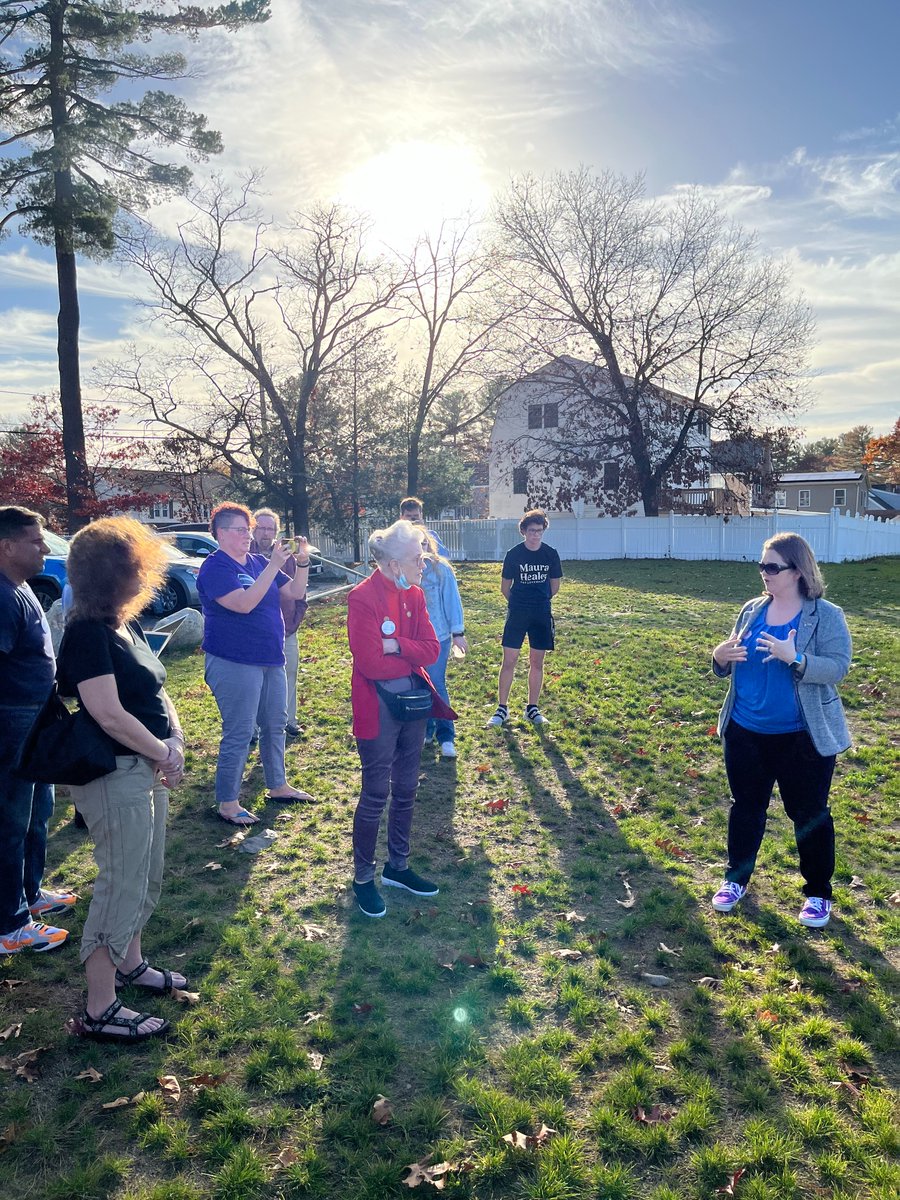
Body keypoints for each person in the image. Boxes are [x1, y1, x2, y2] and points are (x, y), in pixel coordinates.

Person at [57, 518, 186, 1041]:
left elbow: (156, 689)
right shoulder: (86, 634)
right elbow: (107, 713)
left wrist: (173, 741)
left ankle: (131, 962)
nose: (146, 572)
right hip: (116, 773)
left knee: (146, 875)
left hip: (148, 765)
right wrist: (164, 752)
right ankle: (99, 1006)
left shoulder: (121, 623)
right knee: (120, 883)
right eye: (135, 564)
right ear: (109, 572)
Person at [710, 532, 852, 928]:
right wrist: (719, 657)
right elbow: (731, 661)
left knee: (809, 814)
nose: (764, 573)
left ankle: (818, 893)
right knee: (746, 809)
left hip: (802, 737)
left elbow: (839, 666)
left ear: (797, 571)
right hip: (745, 731)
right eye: (761, 565)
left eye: (772, 567)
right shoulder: (752, 609)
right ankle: (735, 879)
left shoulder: (826, 615)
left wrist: (798, 658)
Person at [347, 519, 455, 918]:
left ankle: (398, 867)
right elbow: (371, 664)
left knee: (407, 787)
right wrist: (396, 652)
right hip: (378, 709)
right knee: (376, 793)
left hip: (413, 705)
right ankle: (363, 878)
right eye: (417, 556)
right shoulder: (363, 598)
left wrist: (396, 643)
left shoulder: (416, 595)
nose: (424, 562)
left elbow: (430, 650)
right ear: (394, 563)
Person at [198, 502, 313, 828]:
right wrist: (272, 566)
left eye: (248, 529)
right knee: (240, 731)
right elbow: (245, 604)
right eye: (240, 530)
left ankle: (278, 785)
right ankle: (228, 802)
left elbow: (294, 591)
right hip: (234, 662)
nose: (248, 535)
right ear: (221, 533)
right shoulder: (215, 568)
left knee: (274, 724)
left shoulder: (257, 561)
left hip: (270, 658)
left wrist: (301, 563)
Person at [0, 506, 77, 956]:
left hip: (35, 715)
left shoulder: (21, 587)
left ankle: (30, 895)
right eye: (35, 540)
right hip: (11, 721)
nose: (44, 548)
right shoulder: (2, 596)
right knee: (10, 821)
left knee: (38, 810)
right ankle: (10, 924)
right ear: (6, 546)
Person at [487, 509, 563, 728]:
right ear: (523, 531)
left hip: (541, 613)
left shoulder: (550, 554)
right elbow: (504, 588)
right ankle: (502, 709)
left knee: (537, 662)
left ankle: (532, 708)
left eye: (539, 531)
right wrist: (520, 603)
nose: (535, 535)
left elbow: (555, 586)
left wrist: (539, 600)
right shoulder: (514, 554)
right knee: (509, 660)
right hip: (518, 613)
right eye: (531, 531)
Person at [250, 508, 308, 738]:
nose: (265, 533)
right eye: (261, 528)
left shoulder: (287, 556)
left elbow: (299, 591)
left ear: (277, 531)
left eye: (270, 529)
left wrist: (296, 618)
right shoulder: (245, 556)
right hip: (254, 631)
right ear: (253, 530)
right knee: (254, 680)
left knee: (288, 674)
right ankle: (253, 728)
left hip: (286, 628)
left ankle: (288, 721)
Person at [419, 531, 468, 758]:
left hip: (438, 637)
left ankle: (446, 736)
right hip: (411, 641)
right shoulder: (401, 570)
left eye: (422, 544)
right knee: (418, 686)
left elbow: (452, 601)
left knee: (436, 684)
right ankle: (425, 732)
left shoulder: (441, 570)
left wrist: (458, 633)